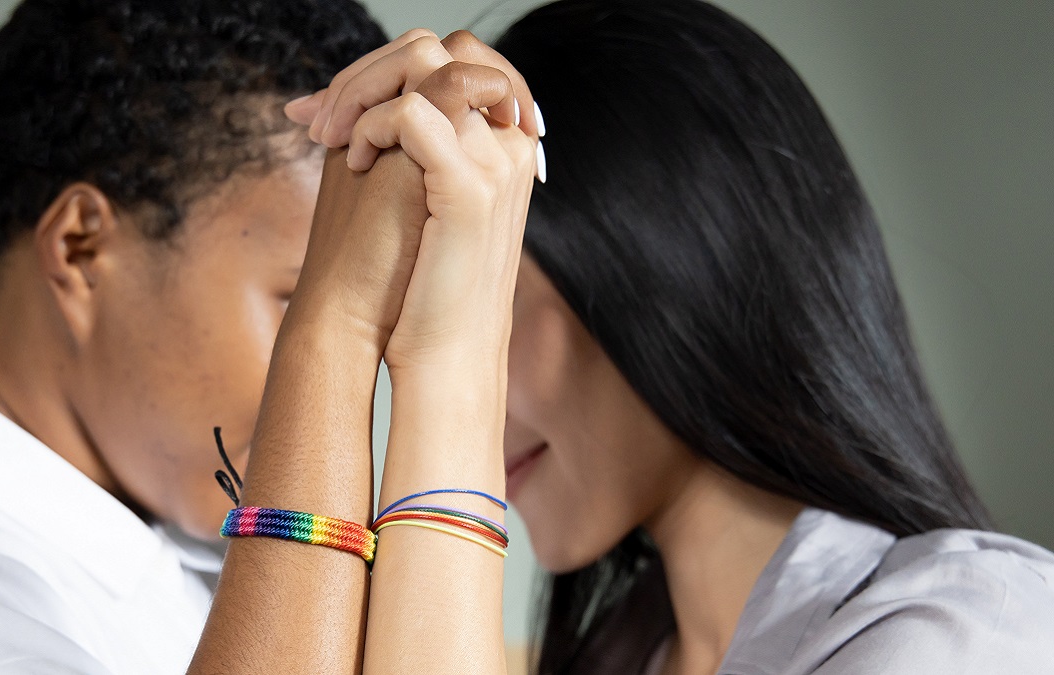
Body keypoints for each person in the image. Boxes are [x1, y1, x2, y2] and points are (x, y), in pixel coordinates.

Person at [274, 0, 1054, 673]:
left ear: (660, 263)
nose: (480, 393)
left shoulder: (966, 626)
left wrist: (443, 367)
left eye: (493, 307)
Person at [0, 0, 540, 671]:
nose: (351, 397)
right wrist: (337, 329)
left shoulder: (187, 541)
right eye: (294, 297)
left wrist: (456, 354)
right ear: (81, 246)